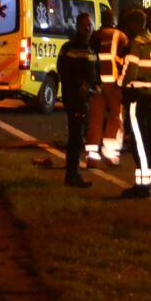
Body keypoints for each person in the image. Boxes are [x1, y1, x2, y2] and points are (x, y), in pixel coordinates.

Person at [118, 9, 151, 199]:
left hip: (136, 98)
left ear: (135, 25)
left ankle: (142, 186)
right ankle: (146, 182)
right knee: (148, 141)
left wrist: (119, 83)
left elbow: (129, 73)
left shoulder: (137, 43)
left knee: (138, 142)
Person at [56, 12, 98, 188]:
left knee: (80, 135)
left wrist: (95, 86)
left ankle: (73, 172)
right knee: (75, 136)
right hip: (74, 97)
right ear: (77, 26)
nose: (87, 28)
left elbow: (96, 71)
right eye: (84, 25)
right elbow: (64, 70)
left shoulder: (91, 47)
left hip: (86, 97)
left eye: (90, 25)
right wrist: (79, 85)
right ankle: (72, 174)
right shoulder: (70, 47)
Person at [86, 9, 128, 166]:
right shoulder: (121, 36)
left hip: (96, 82)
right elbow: (125, 60)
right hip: (114, 82)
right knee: (116, 116)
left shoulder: (94, 36)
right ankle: (110, 152)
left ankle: (92, 154)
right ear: (114, 21)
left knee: (95, 117)